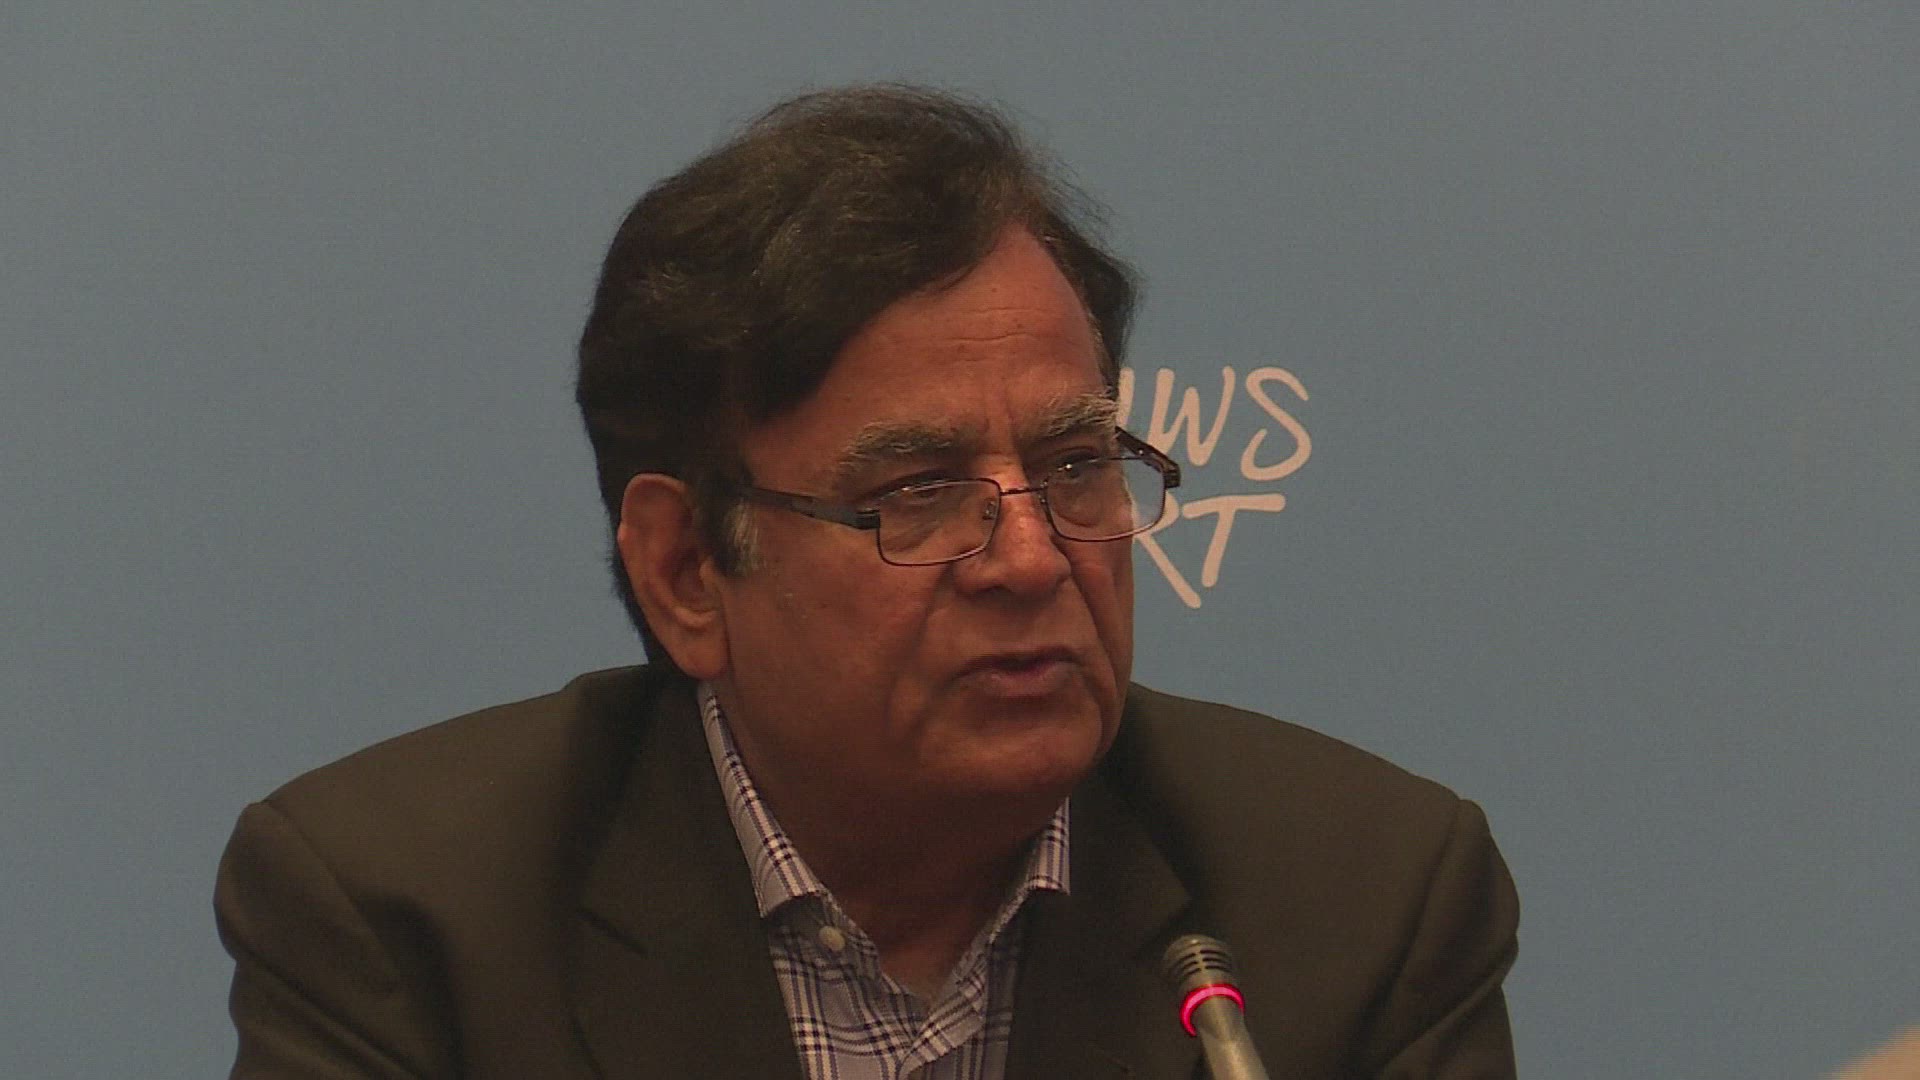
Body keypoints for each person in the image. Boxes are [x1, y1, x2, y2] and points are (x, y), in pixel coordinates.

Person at [215, 84, 1519, 1079]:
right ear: (686, 570)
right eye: (920, 494)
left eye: (1076, 466)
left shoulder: (1362, 905)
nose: (1032, 557)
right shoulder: (411, 929)